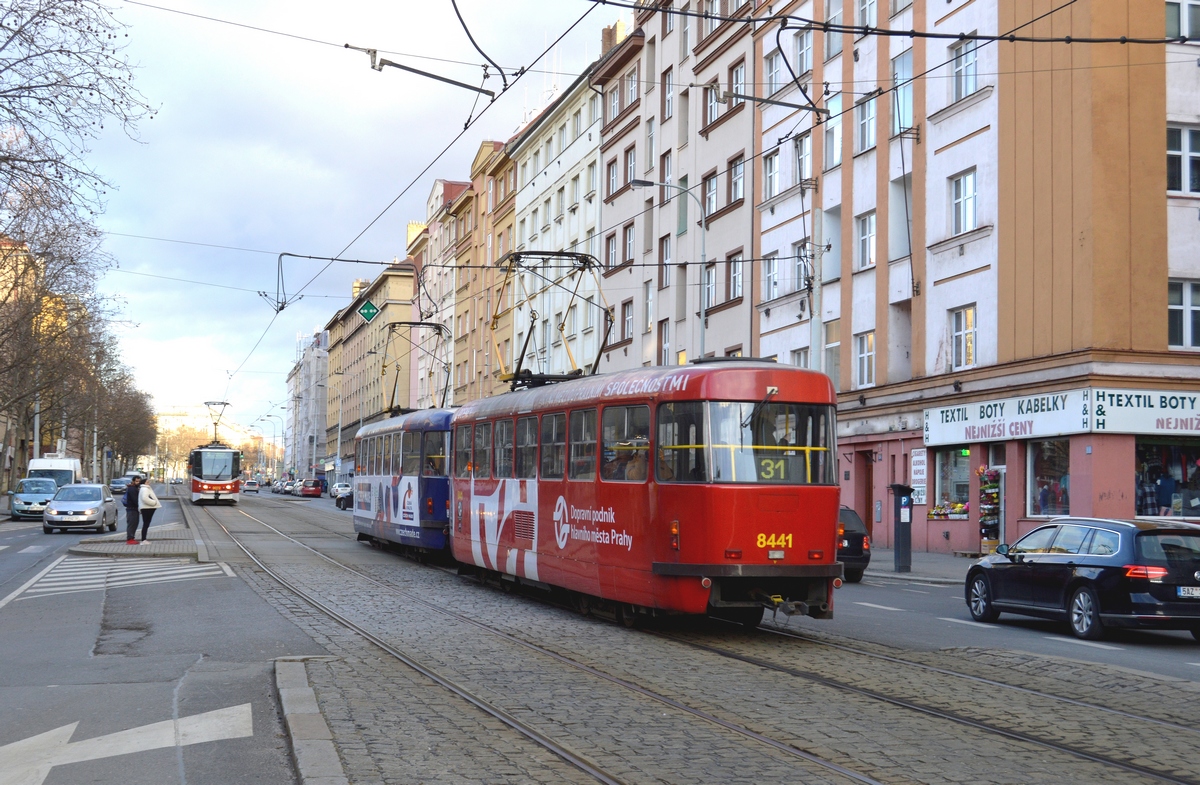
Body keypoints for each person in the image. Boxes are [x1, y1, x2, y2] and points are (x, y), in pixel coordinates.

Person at [123, 476, 143, 545]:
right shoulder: (132, 489)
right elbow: (135, 500)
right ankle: (130, 539)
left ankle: (132, 538)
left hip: (134, 509)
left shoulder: (135, 488)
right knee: (132, 524)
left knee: (134, 524)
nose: (138, 482)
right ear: (133, 481)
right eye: (136, 481)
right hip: (132, 509)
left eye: (139, 481)